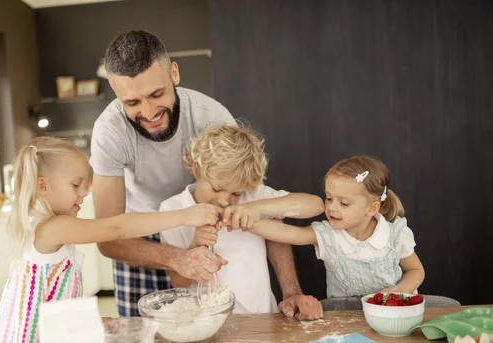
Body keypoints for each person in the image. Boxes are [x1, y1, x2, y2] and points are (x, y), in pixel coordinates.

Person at [90, 30, 323, 318]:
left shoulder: (212, 117)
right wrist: (180, 258)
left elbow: (265, 212)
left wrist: (290, 291)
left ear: (174, 73)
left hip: (204, 224)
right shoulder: (109, 131)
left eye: (156, 94)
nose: (148, 112)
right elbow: (109, 237)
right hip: (136, 234)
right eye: (132, 103)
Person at [0, 137, 220, 343]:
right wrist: (185, 215)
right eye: (75, 184)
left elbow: (47, 302)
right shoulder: (52, 228)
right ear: (42, 185)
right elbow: (117, 228)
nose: (84, 192)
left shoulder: (49, 228)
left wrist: (88, 322)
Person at [160, 124, 325, 316]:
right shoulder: (173, 209)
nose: (224, 200)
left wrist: (255, 208)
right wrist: (196, 244)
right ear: (197, 169)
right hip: (206, 325)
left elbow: (315, 205)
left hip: (261, 319)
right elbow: (178, 283)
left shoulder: (254, 196)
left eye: (236, 193)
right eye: (216, 188)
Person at [244, 156, 426, 306]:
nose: (331, 208)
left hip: (391, 315)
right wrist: (243, 220)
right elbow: (287, 233)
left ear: (372, 208)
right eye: (329, 198)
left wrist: (398, 291)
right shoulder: (328, 234)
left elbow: (416, 270)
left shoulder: (394, 235)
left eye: (344, 203)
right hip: (343, 318)